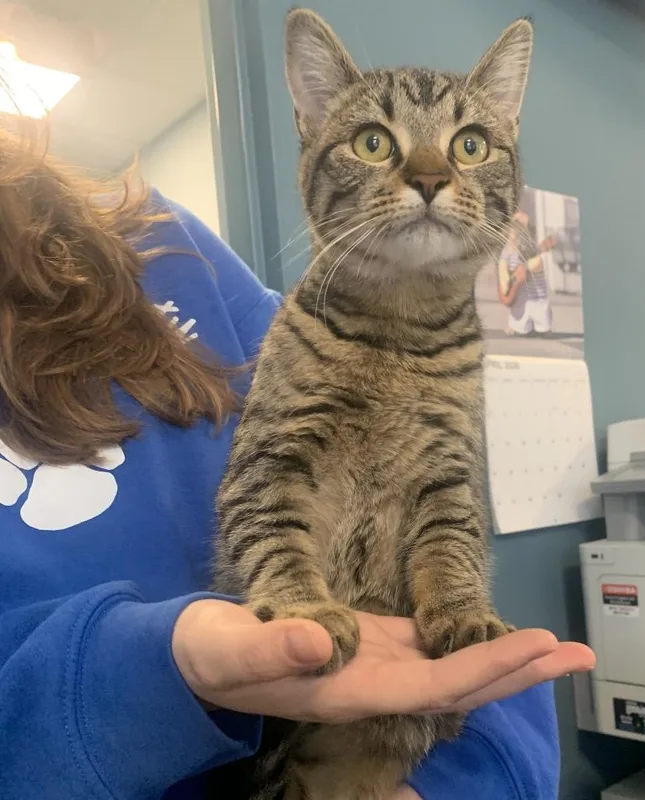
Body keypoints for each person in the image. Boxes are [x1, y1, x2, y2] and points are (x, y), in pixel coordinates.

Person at [0, 129, 595, 800]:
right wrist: (154, 665)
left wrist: (450, 784)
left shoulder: (165, 246)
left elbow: (438, 525)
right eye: (376, 142)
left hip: (402, 747)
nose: (427, 172)